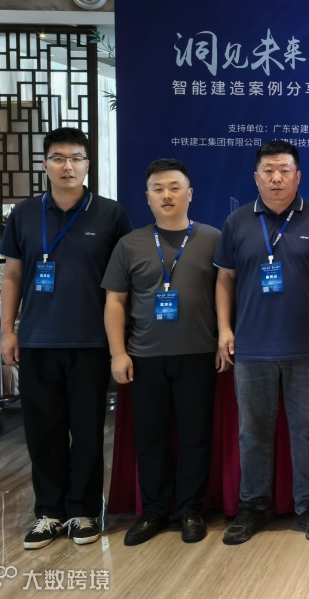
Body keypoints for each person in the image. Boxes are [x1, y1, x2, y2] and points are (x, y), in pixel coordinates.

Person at [0, 127, 133, 549]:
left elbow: (123, 285)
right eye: (58, 158)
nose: (67, 166)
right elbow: (13, 275)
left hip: (91, 341)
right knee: (43, 432)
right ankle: (49, 513)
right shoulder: (24, 214)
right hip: (37, 339)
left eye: (76, 158)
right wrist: (7, 330)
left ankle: (83, 510)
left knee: (88, 430)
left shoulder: (111, 214)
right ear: (45, 165)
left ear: (88, 165)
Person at [214, 140, 309, 544]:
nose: (276, 178)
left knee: (308, 429)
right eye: (268, 171)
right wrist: (224, 329)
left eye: (284, 170)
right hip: (252, 347)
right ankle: (252, 507)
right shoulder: (237, 221)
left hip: (306, 345)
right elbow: (225, 279)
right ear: (256, 177)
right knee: (252, 433)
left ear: (298, 176)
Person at [102, 159, 221, 545]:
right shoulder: (130, 244)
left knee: (195, 437)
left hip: (199, 354)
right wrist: (118, 353)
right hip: (144, 357)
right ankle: (154, 510)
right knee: (150, 438)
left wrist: (224, 337)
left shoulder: (213, 239)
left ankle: (191, 509)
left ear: (190, 194)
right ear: (148, 197)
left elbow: (227, 294)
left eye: (174, 187)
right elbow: (115, 302)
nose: (167, 195)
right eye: (158, 189)